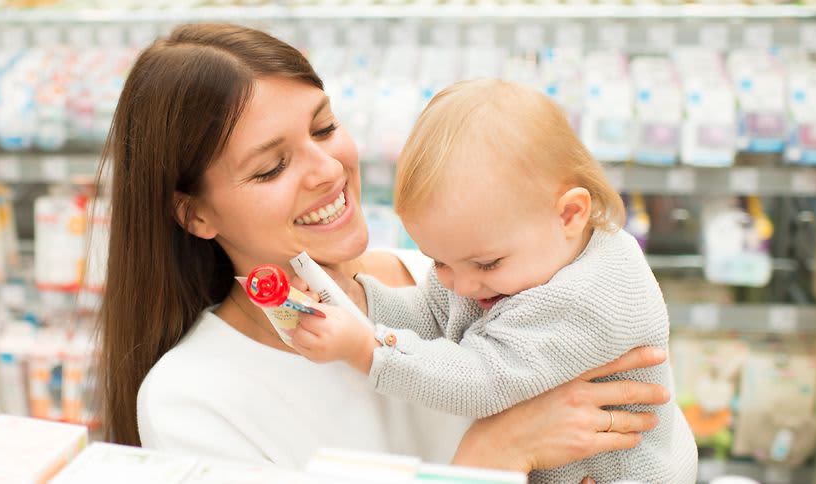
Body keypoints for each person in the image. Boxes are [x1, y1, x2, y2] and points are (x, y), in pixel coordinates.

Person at [95, 23, 671, 478]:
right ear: (194, 213)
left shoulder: (453, 278)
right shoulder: (192, 400)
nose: (328, 170)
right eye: (271, 167)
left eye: (324, 128)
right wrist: (493, 455)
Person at [288, 79, 697, 483]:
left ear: (570, 214)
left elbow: (481, 380)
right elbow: (435, 315)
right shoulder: (510, 260)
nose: (462, 286)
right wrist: (357, 298)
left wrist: (367, 349)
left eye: (487, 265)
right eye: (439, 263)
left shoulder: (586, 297)